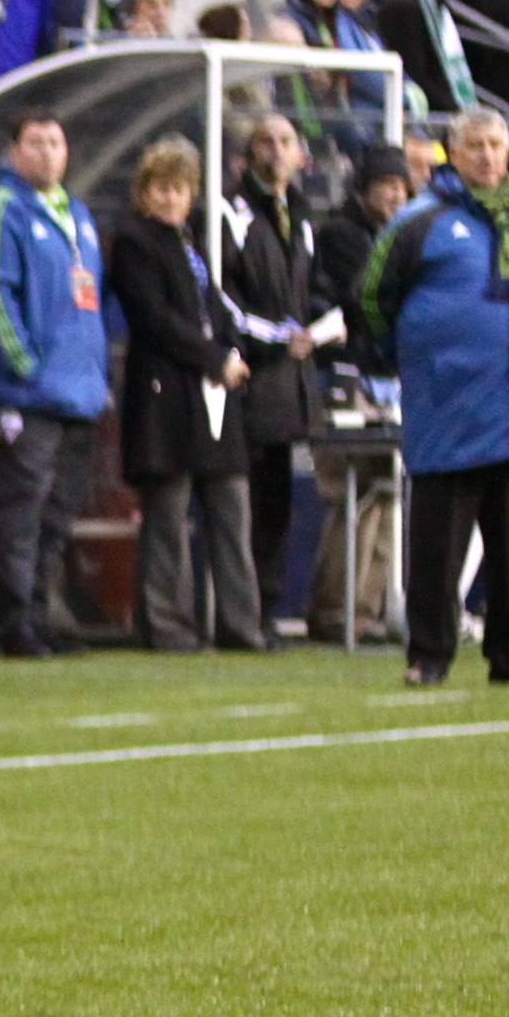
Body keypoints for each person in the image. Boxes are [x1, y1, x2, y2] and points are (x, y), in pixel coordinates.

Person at [356, 106, 509, 689]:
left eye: (497, 144)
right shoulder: (418, 222)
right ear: (453, 149)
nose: (488, 155)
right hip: (450, 404)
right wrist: (412, 359)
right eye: (475, 145)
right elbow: (372, 297)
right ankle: (429, 655)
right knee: (438, 543)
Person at [0, 109, 108, 658]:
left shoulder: (77, 214)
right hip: (26, 396)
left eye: (56, 142)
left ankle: (41, 615)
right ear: (14, 151)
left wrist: (94, 375)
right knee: (19, 512)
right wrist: (25, 367)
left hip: (77, 395)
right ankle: (13, 621)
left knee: (57, 516)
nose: (48, 153)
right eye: (36, 142)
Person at [108, 137, 259, 652]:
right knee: (168, 516)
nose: (172, 199)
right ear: (144, 193)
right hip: (165, 400)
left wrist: (234, 350)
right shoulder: (134, 242)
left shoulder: (189, 246)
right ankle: (168, 626)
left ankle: (242, 626)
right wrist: (217, 358)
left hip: (212, 400)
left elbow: (214, 309)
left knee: (231, 508)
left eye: (180, 189)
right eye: (162, 189)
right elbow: (155, 320)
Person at [219, 113, 321, 646]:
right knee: (249, 503)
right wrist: (280, 337)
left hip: (290, 386)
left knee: (278, 502)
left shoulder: (301, 215)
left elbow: (312, 293)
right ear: (247, 155)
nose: (276, 152)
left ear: (301, 153)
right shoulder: (228, 213)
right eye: (265, 142)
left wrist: (323, 327)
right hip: (248, 382)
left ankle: (268, 607)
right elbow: (224, 299)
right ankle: (243, 611)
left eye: (285, 141)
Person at [306, 145, 413, 645]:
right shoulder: (341, 235)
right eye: (386, 185)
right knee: (353, 493)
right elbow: (367, 298)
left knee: (385, 496)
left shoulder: (393, 235)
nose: (395, 193)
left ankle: (365, 609)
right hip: (346, 378)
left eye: (401, 185)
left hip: (385, 377)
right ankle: (334, 609)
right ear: (363, 189)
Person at [376, 0, 481, 115]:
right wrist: (455, 109)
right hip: (424, 106)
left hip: (443, 103)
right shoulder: (405, 6)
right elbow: (417, 71)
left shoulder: (440, 6)